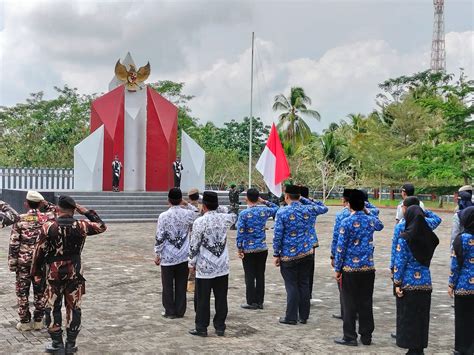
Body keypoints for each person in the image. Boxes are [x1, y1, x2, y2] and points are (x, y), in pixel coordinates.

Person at [31, 195, 107, 353]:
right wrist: (86, 211)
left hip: (53, 273)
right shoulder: (81, 225)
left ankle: (57, 343)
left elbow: (38, 252)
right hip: (75, 272)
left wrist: (36, 272)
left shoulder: (48, 226)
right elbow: (101, 226)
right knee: (74, 307)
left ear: (58, 209)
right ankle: (71, 343)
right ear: (74, 209)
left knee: (52, 307)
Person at [333, 189, 384, 346]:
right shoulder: (370, 220)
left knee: (349, 303)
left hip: (350, 269)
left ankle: (350, 336)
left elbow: (340, 248)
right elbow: (380, 225)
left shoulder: (346, 222)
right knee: (365, 302)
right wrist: (366, 210)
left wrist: (337, 268)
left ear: (349, 204)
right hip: (368, 267)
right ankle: (366, 336)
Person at [273, 185, 328, 325]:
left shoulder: (282, 212)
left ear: (286, 196)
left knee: (291, 285)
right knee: (304, 284)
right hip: (306, 252)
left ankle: (291, 317)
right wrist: (304, 199)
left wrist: (276, 253)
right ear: (299, 196)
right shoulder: (308, 209)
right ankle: (304, 316)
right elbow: (323, 207)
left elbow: (278, 235)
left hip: (288, 254)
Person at [389, 196, 442, 339]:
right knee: (422, 317)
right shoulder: (427, 232)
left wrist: (396, 281)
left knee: (407, 314)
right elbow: (438, 219)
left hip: (408, 281)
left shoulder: (403, 232)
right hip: (425, 280)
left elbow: (399, 258)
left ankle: (409, 344)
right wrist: (423, 212)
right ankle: (420, 347)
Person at [188, 191, 237, 337]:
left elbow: (194, 245)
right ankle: (220, 326)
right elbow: (232, 213)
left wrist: (191, 262)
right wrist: (217, 207)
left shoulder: (200, 222)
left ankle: (201, 327)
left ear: (204, 206)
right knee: (221, 297)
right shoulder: (225, 219)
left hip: (205, 265)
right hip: (222, 264)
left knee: (202, 298)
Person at [8, 191, 53, 331]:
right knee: (41, 292)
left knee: (22, 292)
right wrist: (46, 204)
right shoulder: (48, 219)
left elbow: (14, 244)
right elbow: (56, 210)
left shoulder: (20, 219)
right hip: (41, 262)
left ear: (26, 203)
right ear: (40, 203)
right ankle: (38, 321)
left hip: (23, 263)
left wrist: (12, 263)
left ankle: (25, 322)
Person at [154, 188, 199, 319]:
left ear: (168, 200)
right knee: (181, 284)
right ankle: (180, 310)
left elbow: (160, 236)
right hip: (183, 255)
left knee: (167, 285)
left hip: (168, 256)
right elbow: (197, 213)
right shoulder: (187, 214)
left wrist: (157, 253)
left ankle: (169, 310)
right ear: (180, 200)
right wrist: (187, 204)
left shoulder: (163, 216)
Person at [236, 188, 279, 310]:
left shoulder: (244, 214)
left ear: (246, 198)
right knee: (260, 275)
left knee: (249, 276)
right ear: (258, 198)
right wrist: (264, 201)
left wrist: (239, 248)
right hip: (262, 248)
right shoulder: (263, 211)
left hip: (248, 249)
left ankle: (251, 301)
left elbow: (241, 232)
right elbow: (277, 208)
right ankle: (260, 301)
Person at [448, 206, 474, 355]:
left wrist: (451, 284)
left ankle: (463, 349)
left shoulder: (461, 239)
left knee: (463, 319)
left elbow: (455, 265)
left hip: (464, 287)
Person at [299, 186, 328, 302]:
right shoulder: (312, 207)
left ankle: (298, 295)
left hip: (297, 242)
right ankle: (307, 294)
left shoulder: (294, 208)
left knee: (297, 271)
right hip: (311, 241)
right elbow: (324, 207)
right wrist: (310, 200)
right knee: (309, 270)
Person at [330, 188, 353, 320]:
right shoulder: (368, 214)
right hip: (363, 260)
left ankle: (346, 312)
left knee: (343, 287)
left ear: (345, 200)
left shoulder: (341, 215)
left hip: (345, 257)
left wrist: (333, 256)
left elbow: (336, 238)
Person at [186, 188, 202, 293]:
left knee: (191, 259)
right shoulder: (203, 206)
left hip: (192, 236)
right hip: (202, 236)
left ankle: (190, 285)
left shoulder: (187, 208)